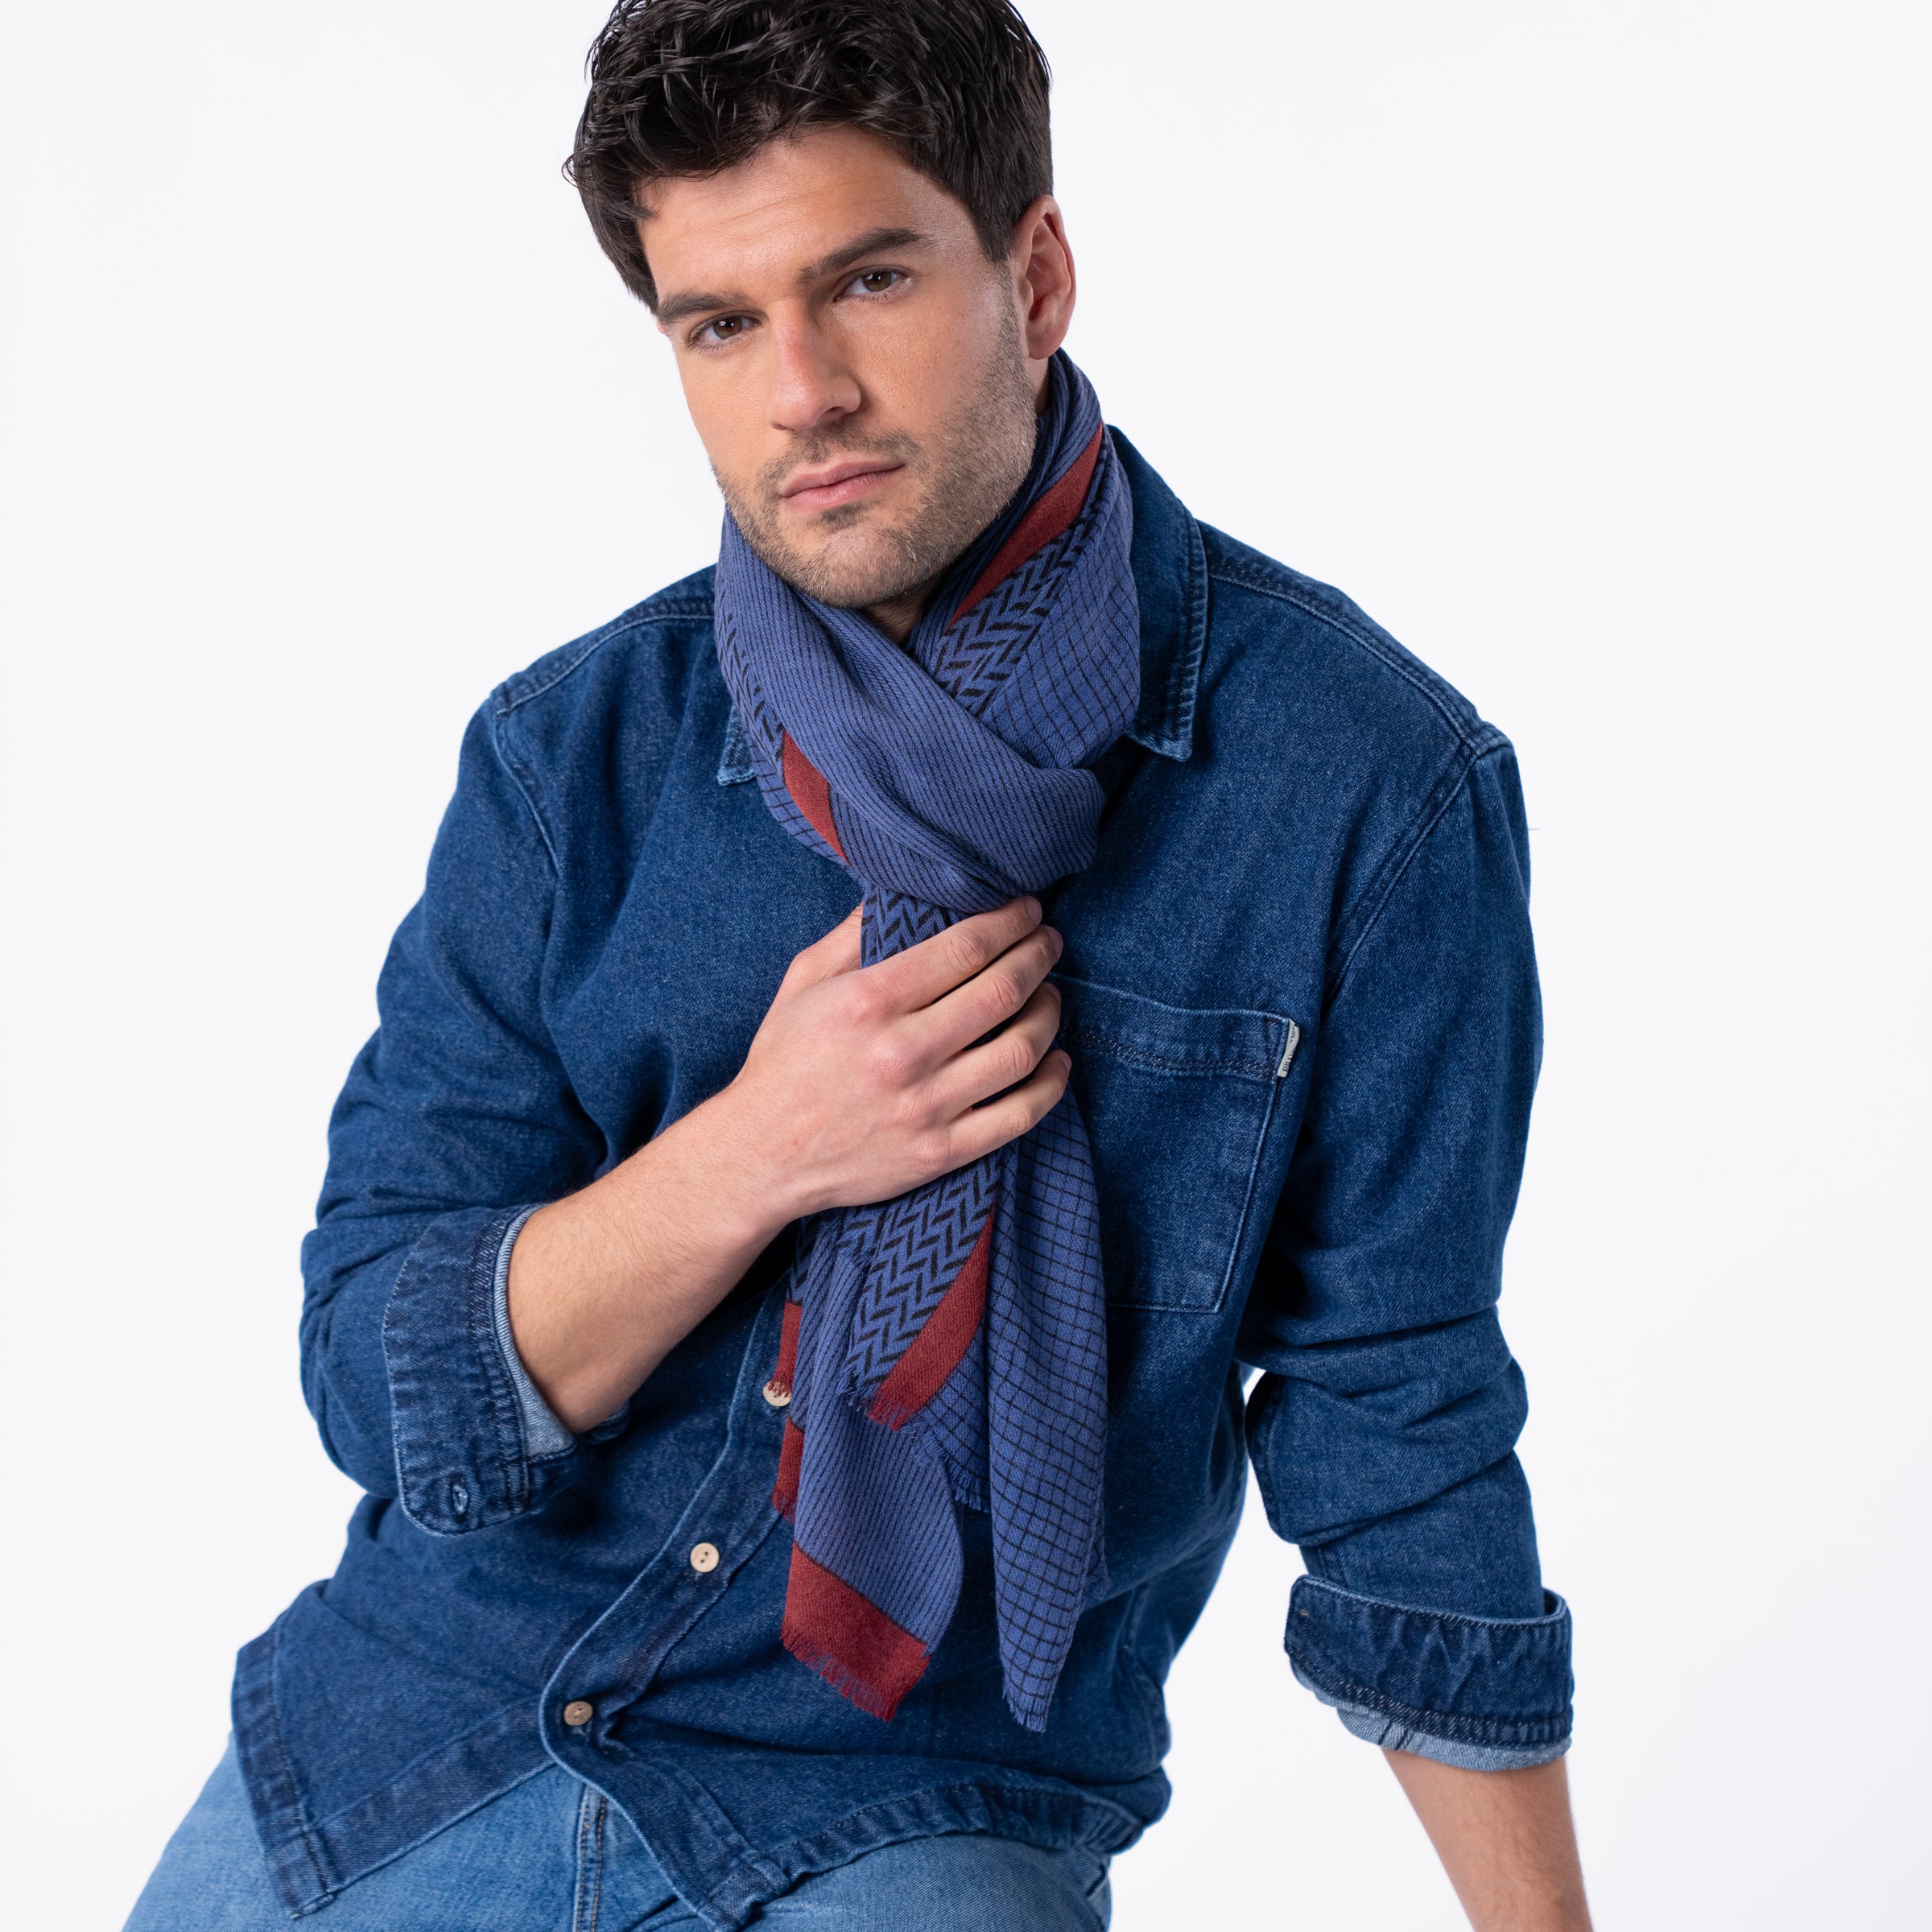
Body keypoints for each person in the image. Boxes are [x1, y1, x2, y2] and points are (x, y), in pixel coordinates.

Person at [127, 2, 1589, 1927]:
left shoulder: (1363, 788)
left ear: (1034, 276)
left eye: (868, 281)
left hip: (912, 1804)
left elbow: (1396, 1418)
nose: (800, 391)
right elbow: (379, 1379)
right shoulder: (573, 759)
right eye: (720, 325)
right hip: (425, 1740)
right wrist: (758, 1153)